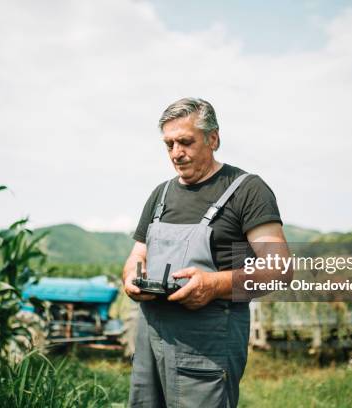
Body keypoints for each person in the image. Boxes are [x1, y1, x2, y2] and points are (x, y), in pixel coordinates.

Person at [123, 97, 289, 407]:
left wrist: (213, 285)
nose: (176, 153)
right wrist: (131, 277)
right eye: (169, 144)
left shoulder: (247, 190)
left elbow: (279, 269)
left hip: (207, 343)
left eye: (185, 142)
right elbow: (137, 255)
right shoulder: (161, 194)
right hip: (150, 339)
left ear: (213, 139)